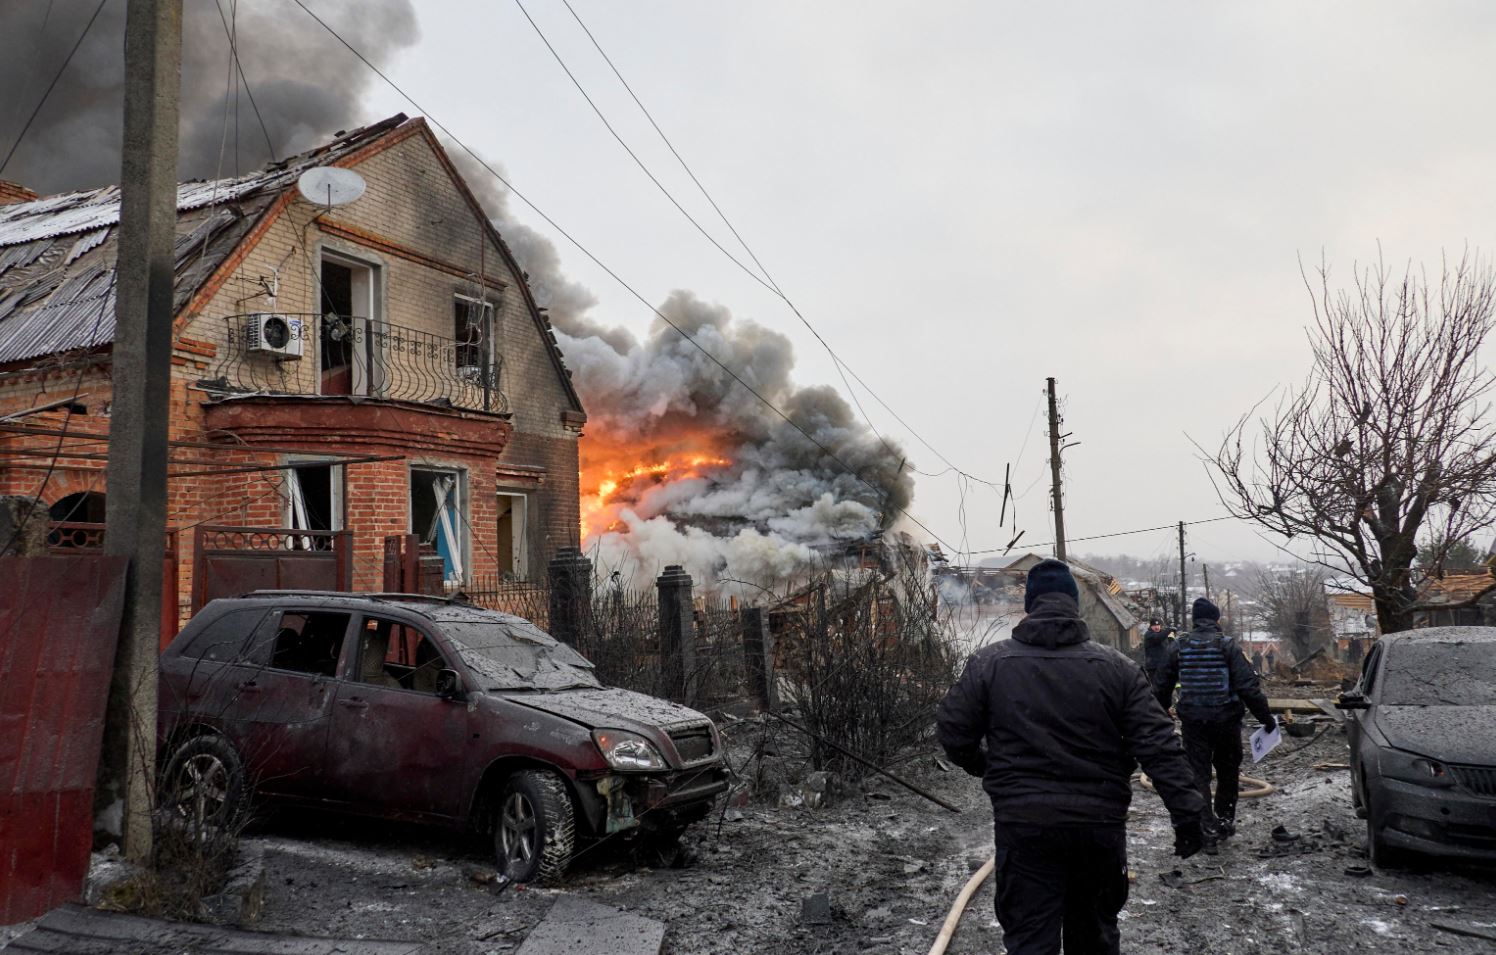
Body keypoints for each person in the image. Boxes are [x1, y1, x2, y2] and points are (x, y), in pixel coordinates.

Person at [937, 559, 1205, 955]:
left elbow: (953, 734)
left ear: (1029, 605)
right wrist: (1186, 814)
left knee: (1030, 941)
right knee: (1093, 938)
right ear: (1075, 606)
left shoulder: (989, 664)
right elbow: (1158, 746)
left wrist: (986, 766)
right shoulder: (1118, 669)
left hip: (1025, 828)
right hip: (1098, 829)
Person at [1155, 597, 1276, 854]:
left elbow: (1162, 683)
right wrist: (1266, 719)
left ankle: (1205, 828)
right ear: (1217, 620)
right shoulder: (1228, 646)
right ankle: (1223, 821)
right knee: (1228, 772)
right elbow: (1248, 687)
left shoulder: (1179, 645)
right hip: (1226, 721)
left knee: (1198, 774)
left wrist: (1161, 712)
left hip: (1194, 722)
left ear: (1194, 621)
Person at [1142, 618, 1172, 688]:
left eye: (1158, 625)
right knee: (1156, 687)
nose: (1156, 627)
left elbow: (1170, 644)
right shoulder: (1149, 634)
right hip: (1153, 667)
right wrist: (1169, 630)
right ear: (1151, 626)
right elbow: (1158, 638)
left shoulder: (1163, 633)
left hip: (1163, 665)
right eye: (1154, 626)